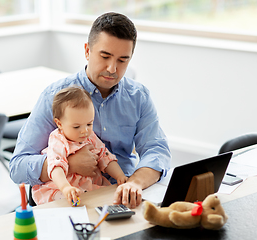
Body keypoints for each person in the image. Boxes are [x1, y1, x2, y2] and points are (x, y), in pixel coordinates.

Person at [10, 12, 171, 208]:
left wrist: (135, 183)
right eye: (105, 56)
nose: (112, 68)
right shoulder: (55, 96)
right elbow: (17, 166)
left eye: (122, 60)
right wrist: (68, 163)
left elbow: (157, 150)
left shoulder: (139, 96)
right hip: (72, 199)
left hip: (121, 194)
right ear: (87, 51)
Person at [32, 86, 128, 205]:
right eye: (76, 127)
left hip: (88, 186)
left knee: (109, 197)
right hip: (59, 187)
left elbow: (105, 156)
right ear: (59, 123)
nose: (84, 131)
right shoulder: (58, 139)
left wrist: (120, 176)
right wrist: (65, 187)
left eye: (89, 124)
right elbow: (56, 167)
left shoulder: (90, 136)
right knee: (69, 201)